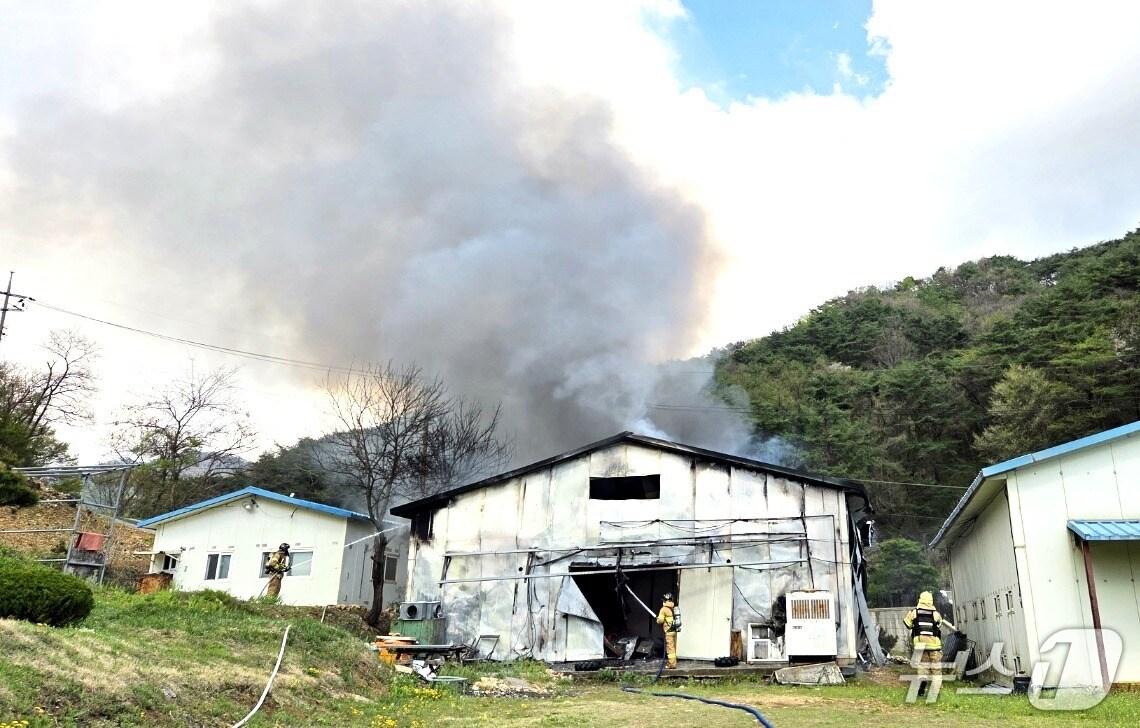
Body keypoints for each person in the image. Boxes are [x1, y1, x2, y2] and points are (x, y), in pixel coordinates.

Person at [902, 590, 957, 698]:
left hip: (920, 645)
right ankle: (935, 691)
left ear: (920, 600)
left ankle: (922, 682)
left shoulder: (914, 612)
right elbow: (939, 625)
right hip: (934, 646)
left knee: (923, 666)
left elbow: (907, 624)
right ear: (931, 601)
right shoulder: (935, 614)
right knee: (936, 669)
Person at [656, 592, 679, 669]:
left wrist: (658, 619)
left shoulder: (664, 609)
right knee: (673, 647)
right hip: (674, 630)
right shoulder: (674, 608)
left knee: (670, 648)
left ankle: (672, 664)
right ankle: (673, 662)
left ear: (665, 601)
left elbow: (660, 621)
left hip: (669, 631)